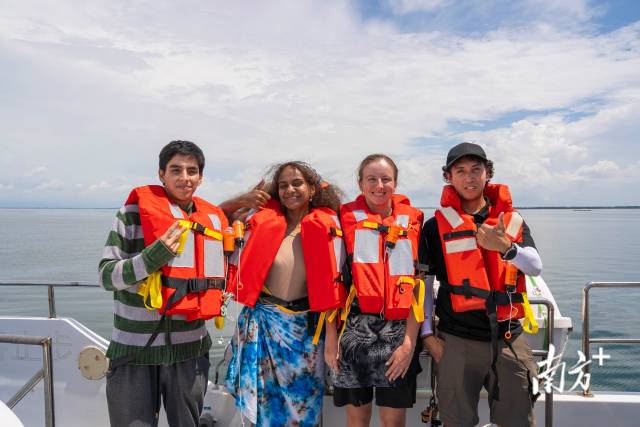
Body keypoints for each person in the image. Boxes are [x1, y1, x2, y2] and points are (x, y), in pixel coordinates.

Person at [98, 140, 267, 427]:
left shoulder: (213, 220)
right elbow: (106, 275)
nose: (184, 177)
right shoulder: (132, 214)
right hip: (133, 352)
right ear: (161, 174)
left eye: (192, 171)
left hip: (189, 351)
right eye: (176, 170)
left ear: (200, 177)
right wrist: (153, 257)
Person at [419, 142, 543, 427]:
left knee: (517, 420)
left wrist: (505, 248)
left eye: (477, 170)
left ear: (488, 173)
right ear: (449, 177)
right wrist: (428, 335)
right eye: (460, 171)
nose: (469, 177)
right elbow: (425, 286)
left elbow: (535, 266)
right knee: (456, 420)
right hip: (456, 340)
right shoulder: (434, 227)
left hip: (508, 339)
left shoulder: (511, 220)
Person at [224, 161, 344, 427]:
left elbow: (334, 286)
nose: (290, 189)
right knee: (263, 410)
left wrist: (333, 334)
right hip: (263, 325)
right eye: (283, 185)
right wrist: (242, 199)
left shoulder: (331, 228)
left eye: (297, 183)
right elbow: (212, 217)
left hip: (307, 333)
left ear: (312, 188)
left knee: (305, 411)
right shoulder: (257, 221)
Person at [329, 154, 425, 427]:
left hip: (399, 333)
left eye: (386, 179)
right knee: (357, 419)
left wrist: (409, 343)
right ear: (360, 184)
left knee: (393, 421)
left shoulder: (413, 222)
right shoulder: (343, 219)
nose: (379, 185)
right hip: (353, 333)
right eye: (371, 179)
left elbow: (418, 290)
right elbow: (333, 284)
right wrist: (331, 337)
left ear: (395, 183)